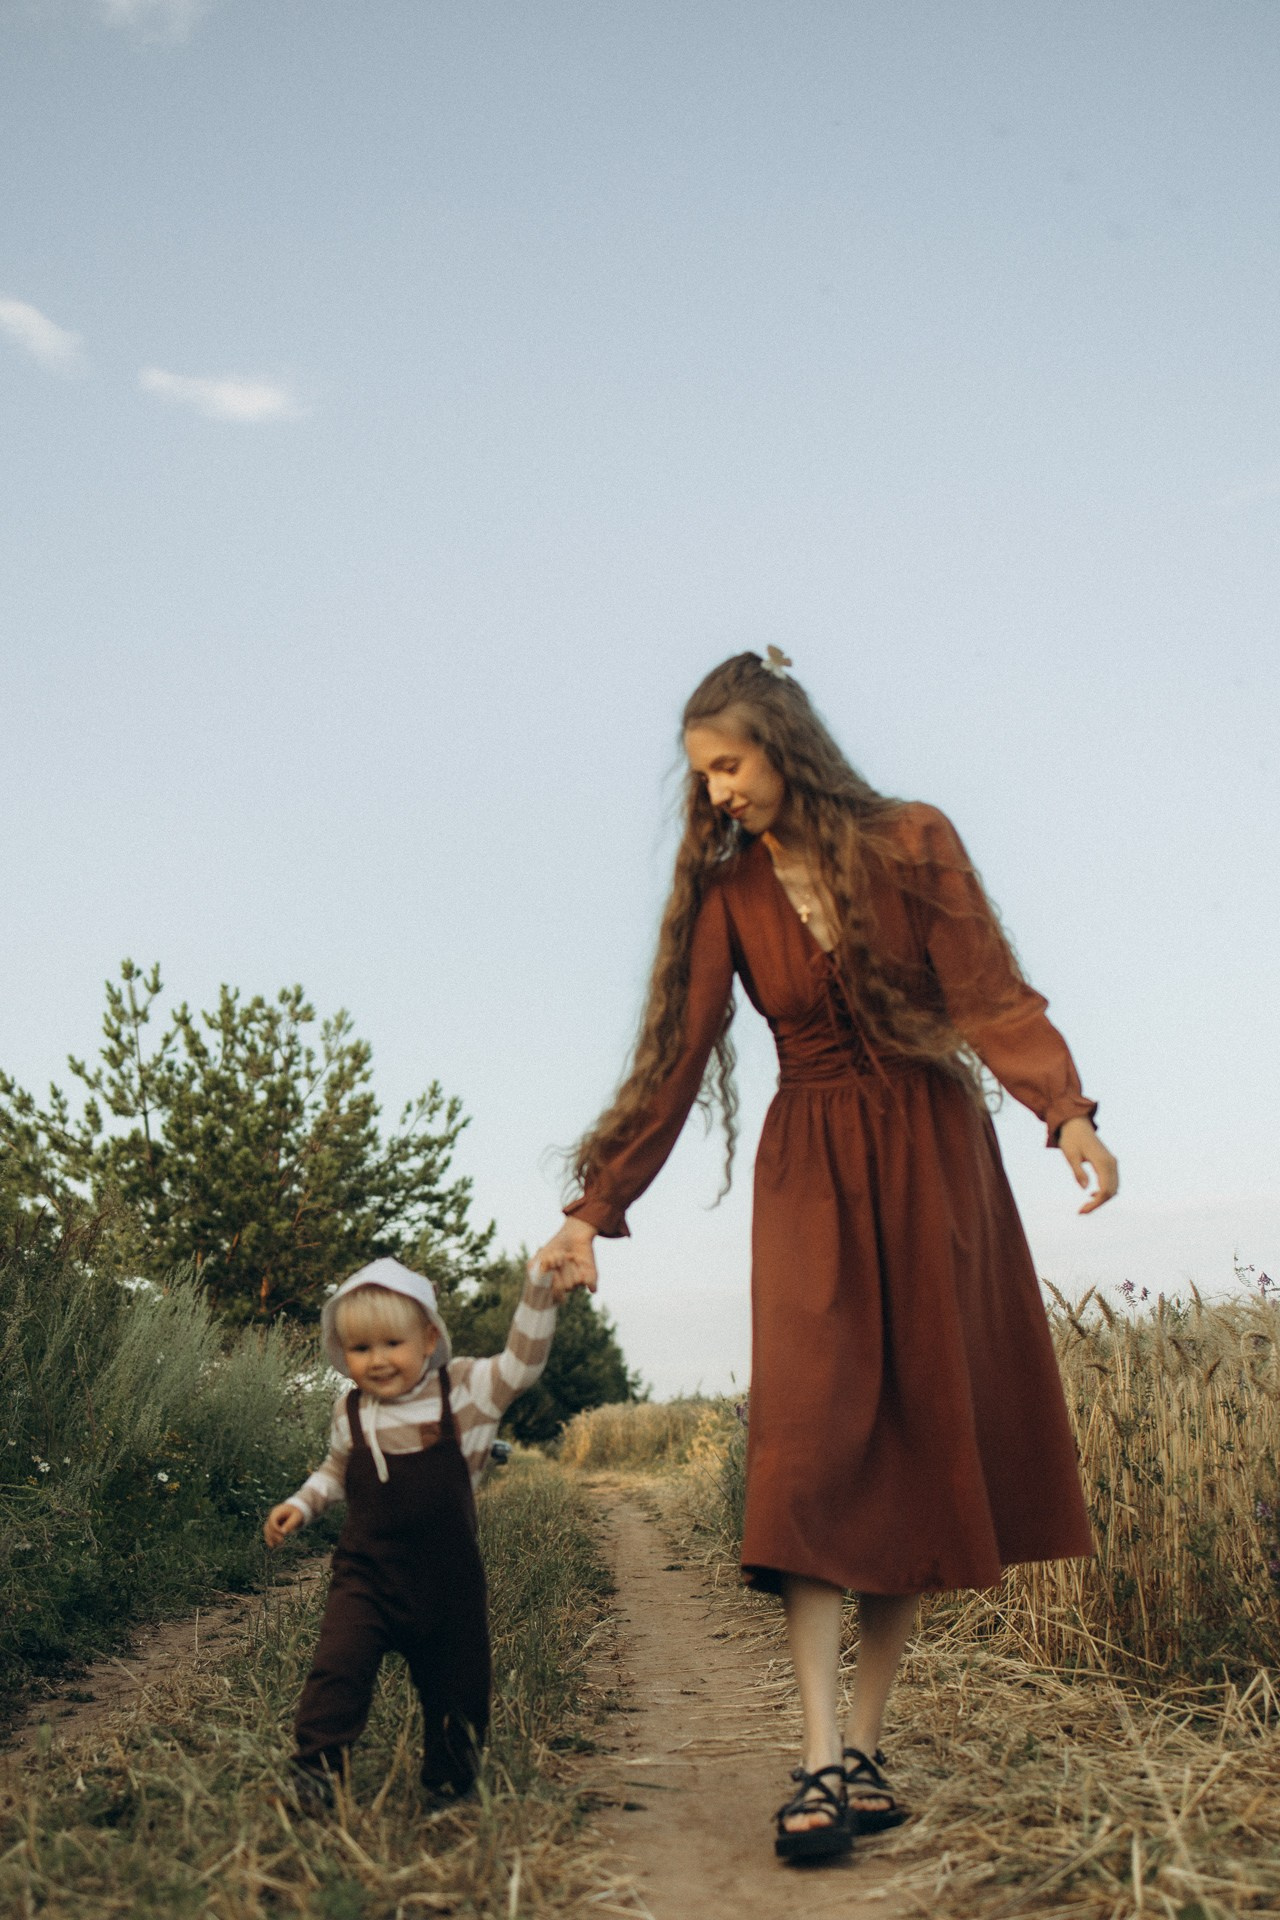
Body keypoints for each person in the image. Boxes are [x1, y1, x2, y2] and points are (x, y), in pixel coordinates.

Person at [535, 651, 1117, 1864]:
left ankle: (856, 1750)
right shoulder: (726, 894)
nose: (714, 796)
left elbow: (988, 993)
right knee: (803, 1449)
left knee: (911, 1440)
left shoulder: (911, 840)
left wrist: (1063, 1112)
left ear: (783, 745)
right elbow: (674, 1062)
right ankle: (807, 1753)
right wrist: (593, 1208)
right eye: (699, 779)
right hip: (809, 1173)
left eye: (728, 767)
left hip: (932, 1158)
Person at [263, 1255, 559, 1809]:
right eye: (360, 1348)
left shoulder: (466, 1391)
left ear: (428, 1339)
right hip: (366, 1575)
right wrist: (300, 1505)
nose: (377, 1361)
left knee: (457, 1684)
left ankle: (451, 1781)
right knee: (338, 1668)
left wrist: (539, 1288)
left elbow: (522, 1364)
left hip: (447, 1581)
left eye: (391, 1344)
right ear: (341, 1353)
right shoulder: (350, 1409)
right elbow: (335, 1470)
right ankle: (315, 1773)